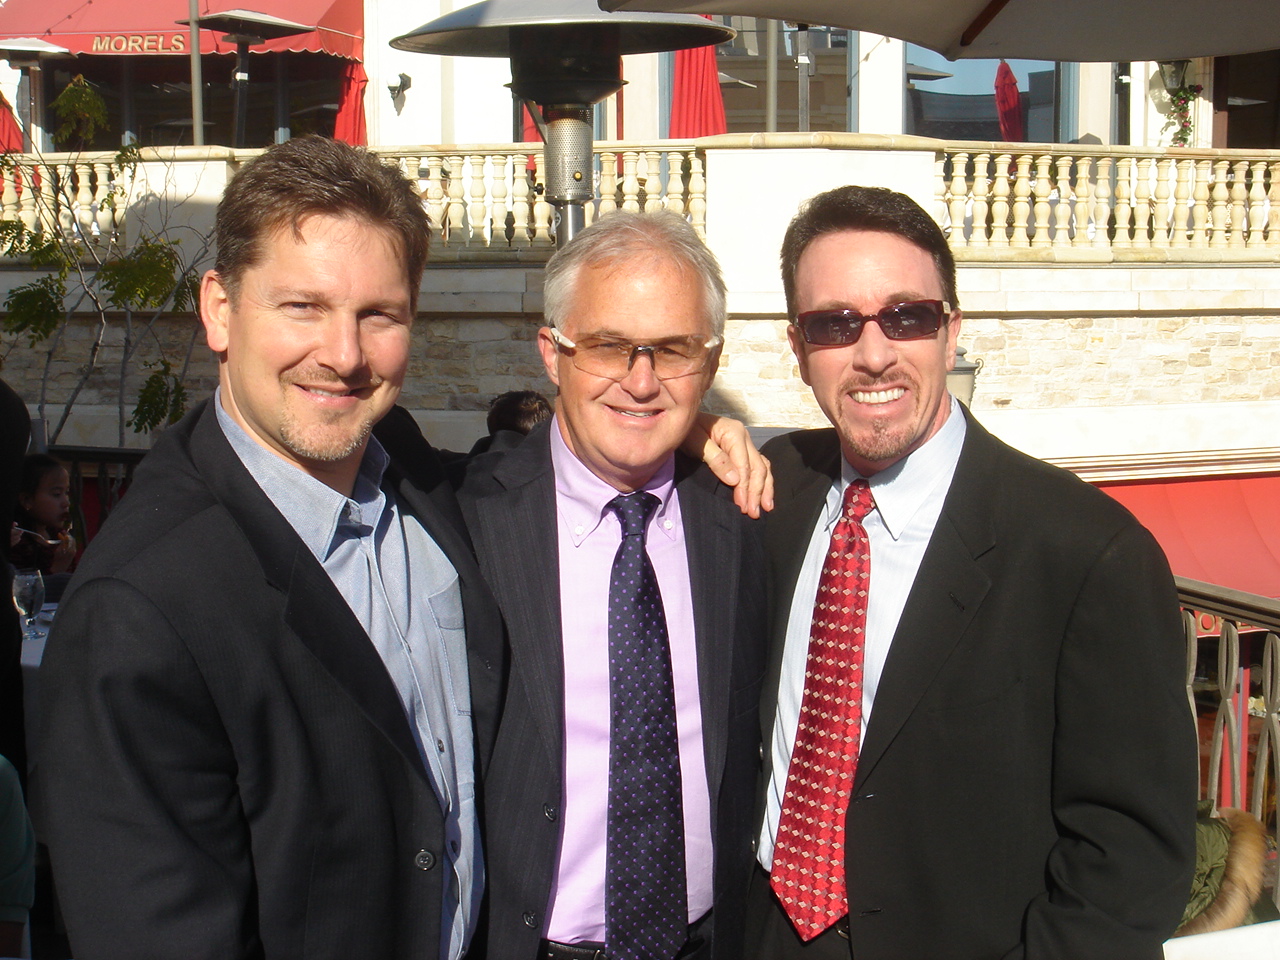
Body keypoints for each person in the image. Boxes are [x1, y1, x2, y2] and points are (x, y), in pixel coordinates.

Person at [37, 135, 506, 960]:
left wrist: (680, 433)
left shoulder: (410, 471)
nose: (345, 355)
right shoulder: (140, 613)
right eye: (303, 307)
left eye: (379, 315)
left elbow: (534, 480)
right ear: (219, 310)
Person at [749, 185, 1197, 960]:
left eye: (906, 315)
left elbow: (1129, 861)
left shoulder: (1085, 553)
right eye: (836, 324)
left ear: (950, 332)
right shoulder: (772, 486)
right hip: (765, 933)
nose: (875, 353)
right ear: (798, 349)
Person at [455, 211, 767, 960]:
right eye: (607, 347)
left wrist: (702, 429)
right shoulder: (464, 520)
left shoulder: (751, 512)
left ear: (711, 363)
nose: (641, 380)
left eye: (673, 350)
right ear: (551, 353)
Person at [11, 453, 78, 580]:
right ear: (27, 500)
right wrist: (57, 568)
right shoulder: (16, 542)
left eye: (66, 493)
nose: (66, 503)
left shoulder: (57, 536)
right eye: (56, 494)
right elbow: (25, 591)